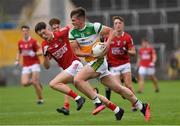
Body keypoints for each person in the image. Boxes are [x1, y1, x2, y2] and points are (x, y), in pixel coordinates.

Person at [69, 7, 150, 121]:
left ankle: (97, 103)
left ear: (81, 19)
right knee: (118, 88)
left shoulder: (94, 26)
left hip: (100, 61)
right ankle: (141, 106)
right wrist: (91, 54)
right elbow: (76, 52)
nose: (72, 22)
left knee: (77, 80)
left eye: (74, 20)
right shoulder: (72, 33)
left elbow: (111, 31)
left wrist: (106, 44)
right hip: (92, 60)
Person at [35, 22, 123, 119]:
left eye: (44, 32)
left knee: (53, 83)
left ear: (48, 29)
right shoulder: (44, 45)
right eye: (41, 35)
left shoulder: (60, 33)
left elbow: (72, 26)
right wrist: (45, 56)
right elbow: (47, 66)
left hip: (75, 65)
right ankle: (117, 109)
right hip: (69, 71)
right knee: (93, 94)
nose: (43, 36)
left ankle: (78, 99)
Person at [106, 16, 137, 111]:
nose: (118, 25)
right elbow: (104, 49)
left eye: (119, 23)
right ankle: (125, 94)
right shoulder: (109, 37)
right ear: (113, 26)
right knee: (118, 88)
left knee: (128, 85)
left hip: (124, 64)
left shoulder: (127, 37)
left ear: (123, 25)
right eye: (115, 23)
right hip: (114, 65)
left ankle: (134, 104)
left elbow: (134, 53)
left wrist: (127, 50)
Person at [15, 25, 44, 104]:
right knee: (24, 83)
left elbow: (41, 50)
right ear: (22, 32)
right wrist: (17, 60)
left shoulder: (33, 41)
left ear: (28, 31)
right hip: (26, 65)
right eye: (23, 31)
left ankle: (40, 99)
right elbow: (19, 51)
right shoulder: (20, 42)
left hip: (35, 63)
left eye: (26, 31)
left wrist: (35, 53)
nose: (25, 32)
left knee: (34, 82)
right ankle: (37, 82)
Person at [48, 18, 71, 115]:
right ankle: (66, 106)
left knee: (80, 84)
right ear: (51, 29)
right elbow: (48, 57)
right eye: (54, 28)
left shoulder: (63, 33)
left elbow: (71, 26)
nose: (57, 29)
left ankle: (96, 96)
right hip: (63, 66)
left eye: (58, 27)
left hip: (72, 63)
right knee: (66, 84)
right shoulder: (50, 40)